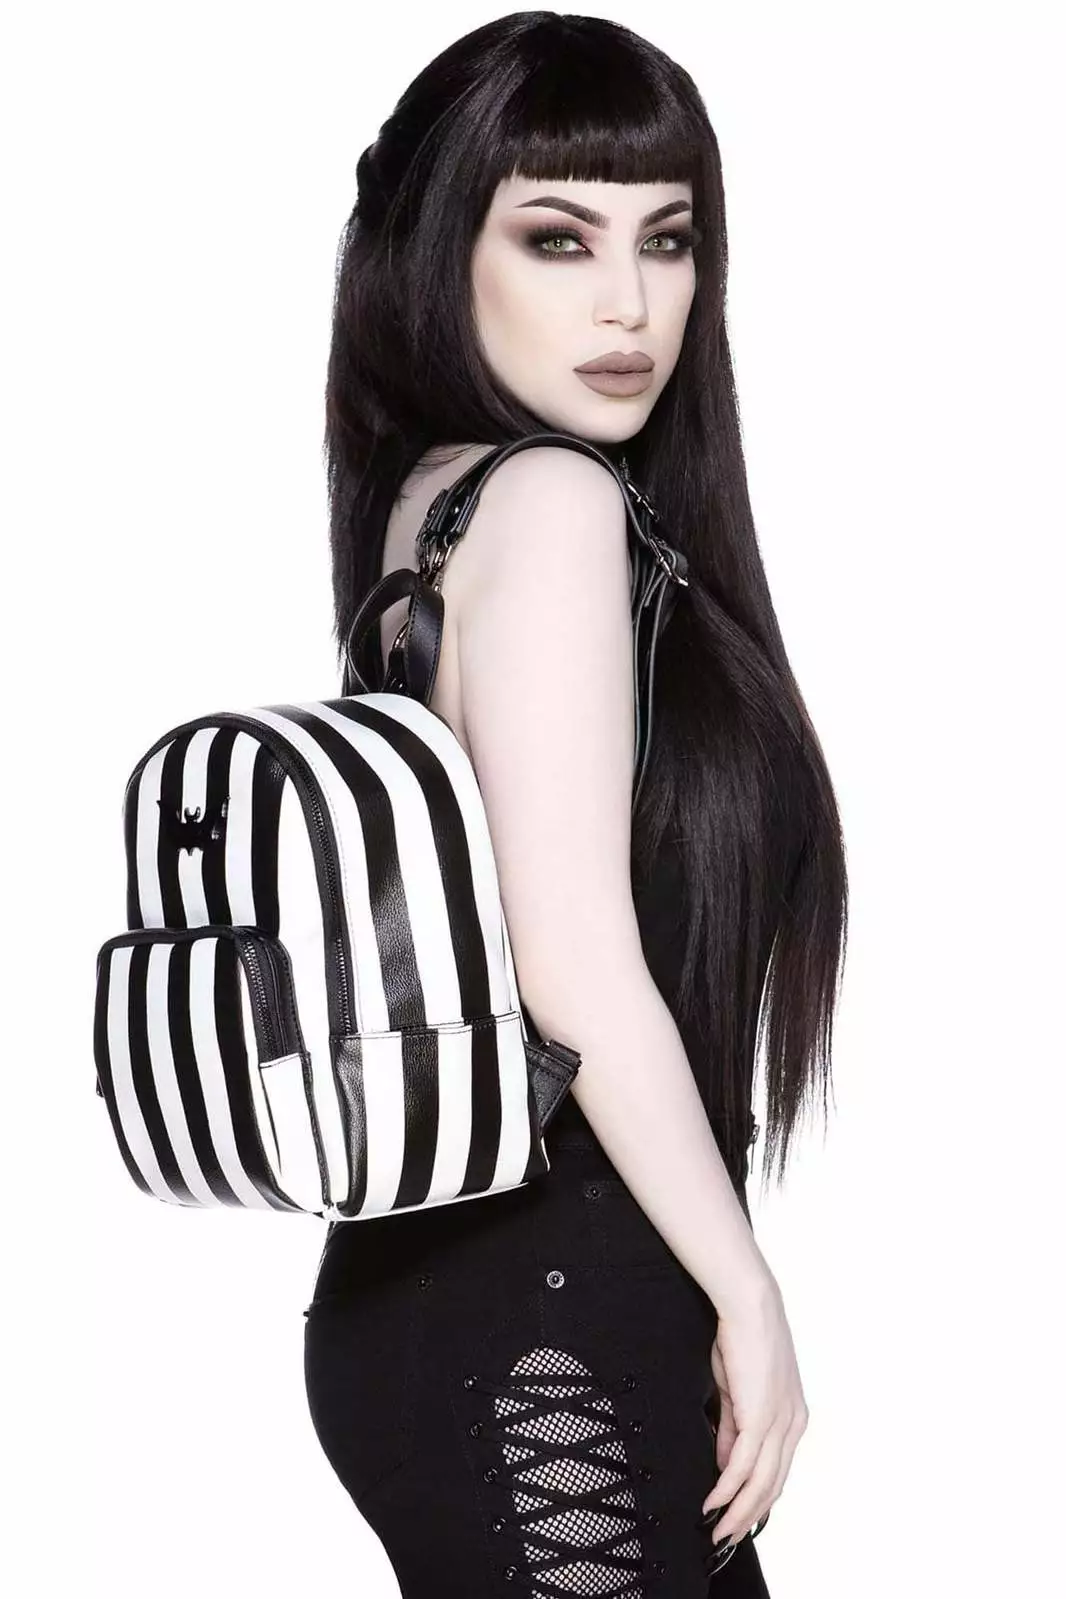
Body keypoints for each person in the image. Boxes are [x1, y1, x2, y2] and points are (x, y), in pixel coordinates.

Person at [303, 13, 848, 1597]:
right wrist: (746, 1288)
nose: (628, 302)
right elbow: (571, 955)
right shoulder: (543, 500)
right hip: (549, 1307)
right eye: (557, 238)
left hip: (467, 1291)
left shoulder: (429, 504)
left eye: (665, 240)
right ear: (439, 250)